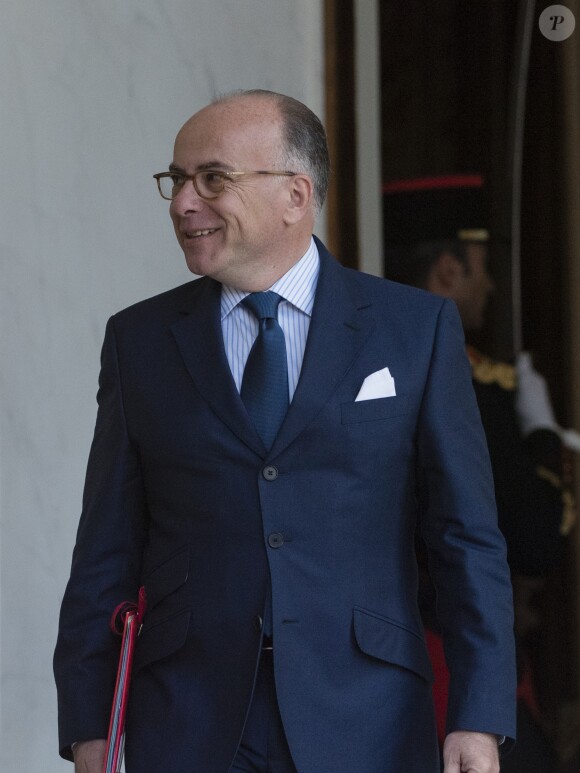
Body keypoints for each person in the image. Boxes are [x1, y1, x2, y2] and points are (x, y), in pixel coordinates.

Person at [54, 91, 516, 773]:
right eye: (176, 180)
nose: (183, 202)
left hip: (368, 716)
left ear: (295, 196)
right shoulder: (140, 340)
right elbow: (105, 547)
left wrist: (478, 713)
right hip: (187, 718)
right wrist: (90, 721)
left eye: (212, 178)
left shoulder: (413, 329)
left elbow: (465, 536)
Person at [383, 174, 575, 771]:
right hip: (450, 661)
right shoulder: (470, 382)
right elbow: (535, 536)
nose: (490, 284)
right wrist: (543, 437)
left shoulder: (365, 362)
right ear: (447, 270)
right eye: (479, 265)